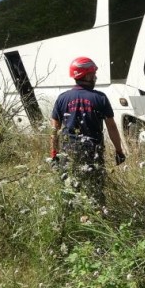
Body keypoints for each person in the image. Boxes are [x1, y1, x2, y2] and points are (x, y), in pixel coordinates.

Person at [50, 56, 126, 207]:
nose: (95, 77)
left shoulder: (62, 98)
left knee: (69, 191)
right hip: (93, 152)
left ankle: (71, 221)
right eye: (93, 74)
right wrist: (119, 150)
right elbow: (111, 127)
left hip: (68, 152)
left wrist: (54, 154)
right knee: (95, 190)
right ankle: (97, 219)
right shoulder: (100, 98)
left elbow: (54, 131)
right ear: (87, 75)